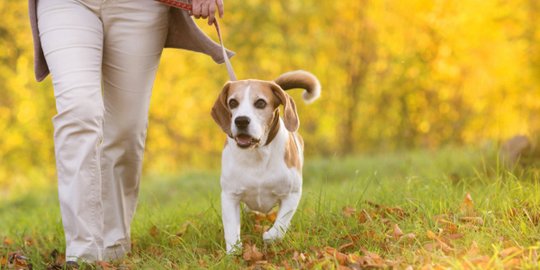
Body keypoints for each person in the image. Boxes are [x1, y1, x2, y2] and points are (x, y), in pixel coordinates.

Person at [28, 0, 232, 263]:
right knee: (79, 111)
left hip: (139, 7)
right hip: (66, 5)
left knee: (127, 128)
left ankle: (113, 244)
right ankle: (83, 254)